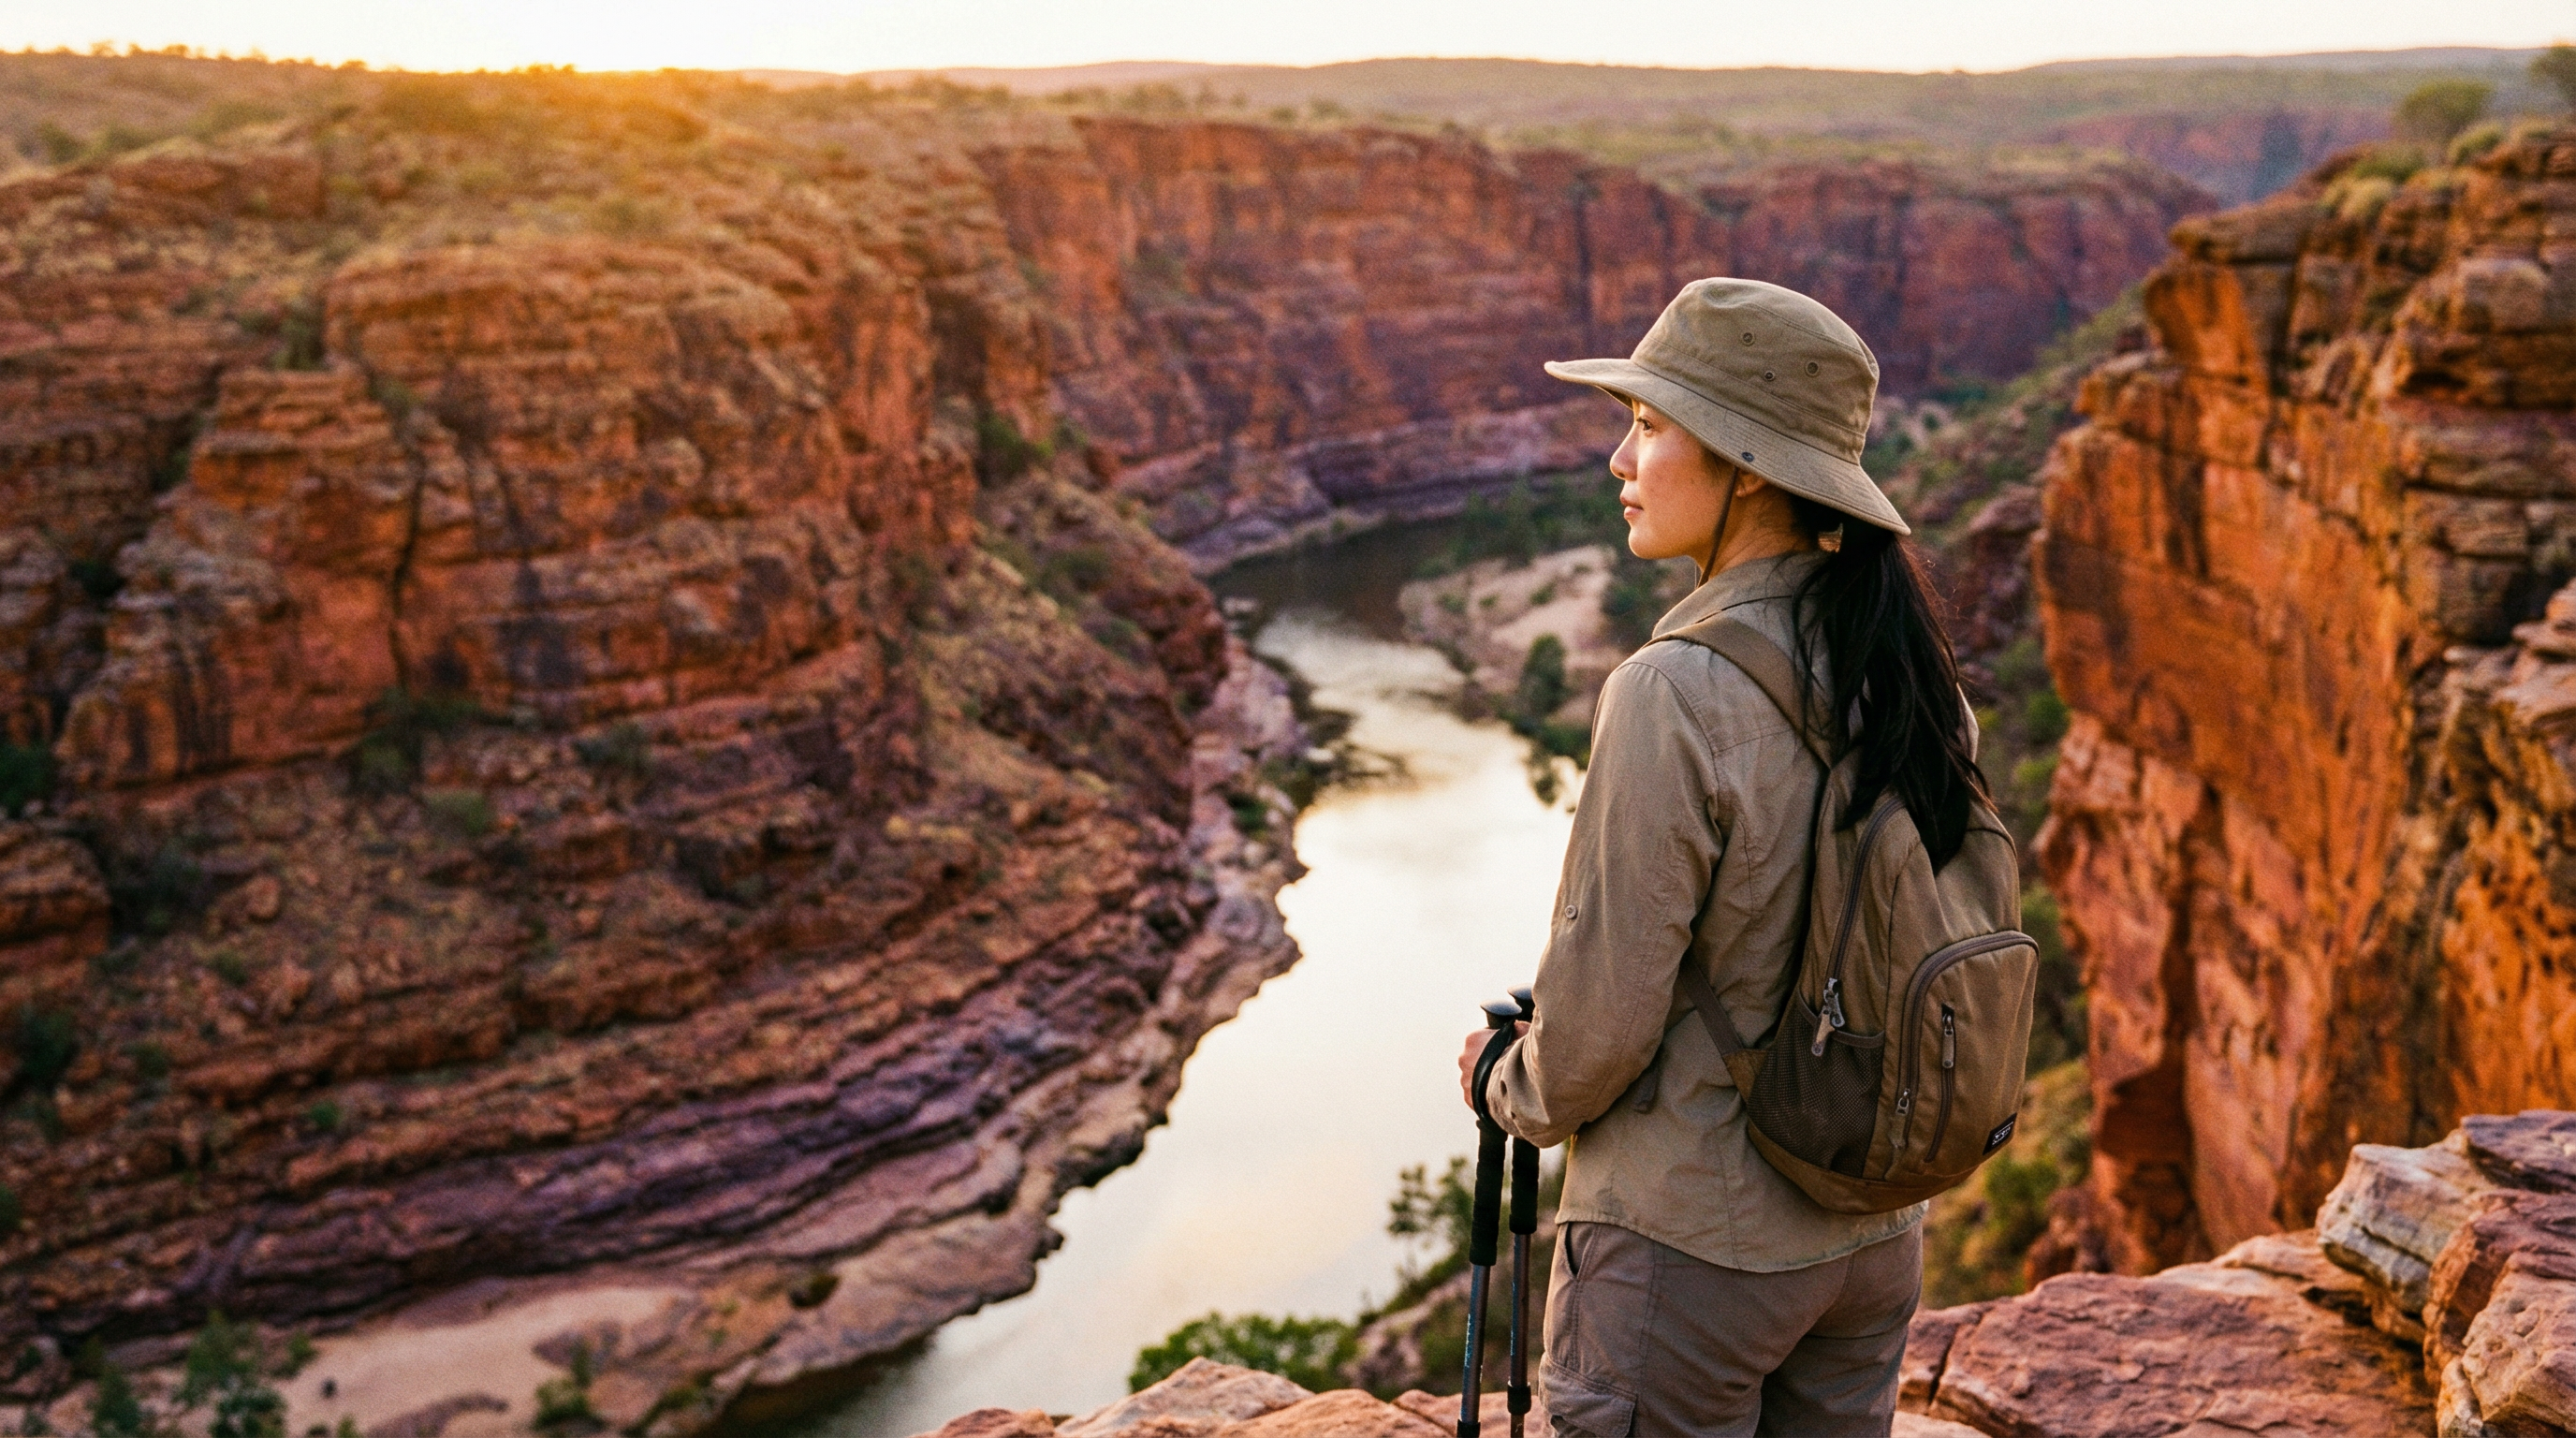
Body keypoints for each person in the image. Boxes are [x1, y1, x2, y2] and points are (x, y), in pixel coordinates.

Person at [1456, 277, 1988, 1437]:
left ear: (1747, 466)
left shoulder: (1671, 690)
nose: (1618, 458)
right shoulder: (1911, 675)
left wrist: (1507, 1085)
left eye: (1648, 426)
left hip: (1690, 1249)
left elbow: (1596, 1027)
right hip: (1868, 1238)